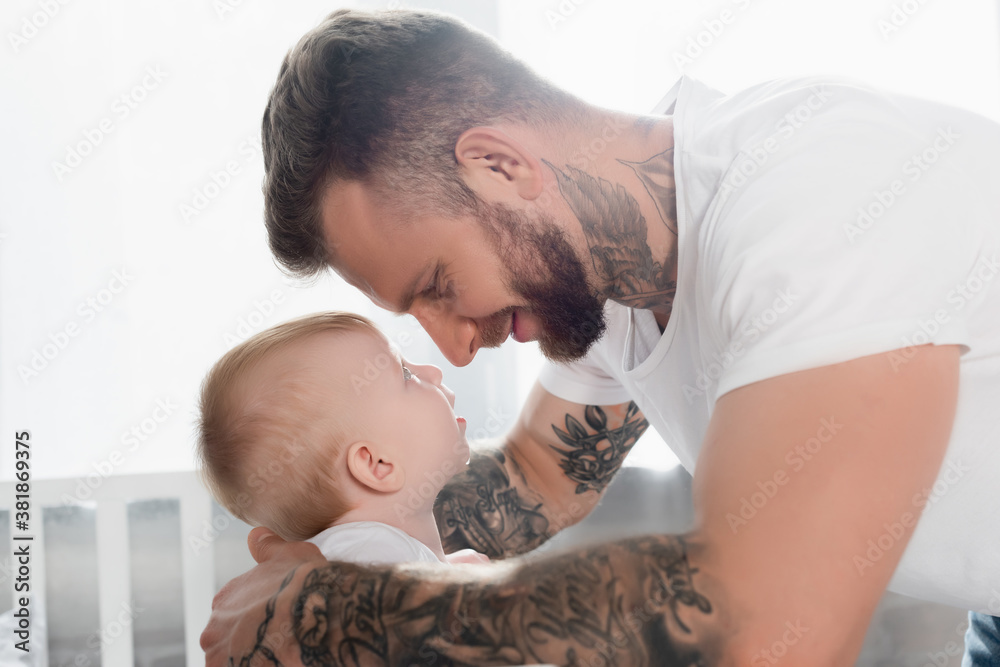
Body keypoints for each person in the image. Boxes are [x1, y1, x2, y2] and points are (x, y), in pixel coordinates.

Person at [201, 7, 1000, 666]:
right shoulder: (612, 275)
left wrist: (355, 609)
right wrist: (341, 543)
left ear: (499, 166)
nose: (451, 348)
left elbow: (772, 625)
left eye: (439, 285)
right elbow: (537, 476)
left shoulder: (817, 195)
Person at [195, 310, 487, 566]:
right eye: (406, 375)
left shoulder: (376, 555)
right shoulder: (371, 558)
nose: (434, 372)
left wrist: (447, 571)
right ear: (378, 464)